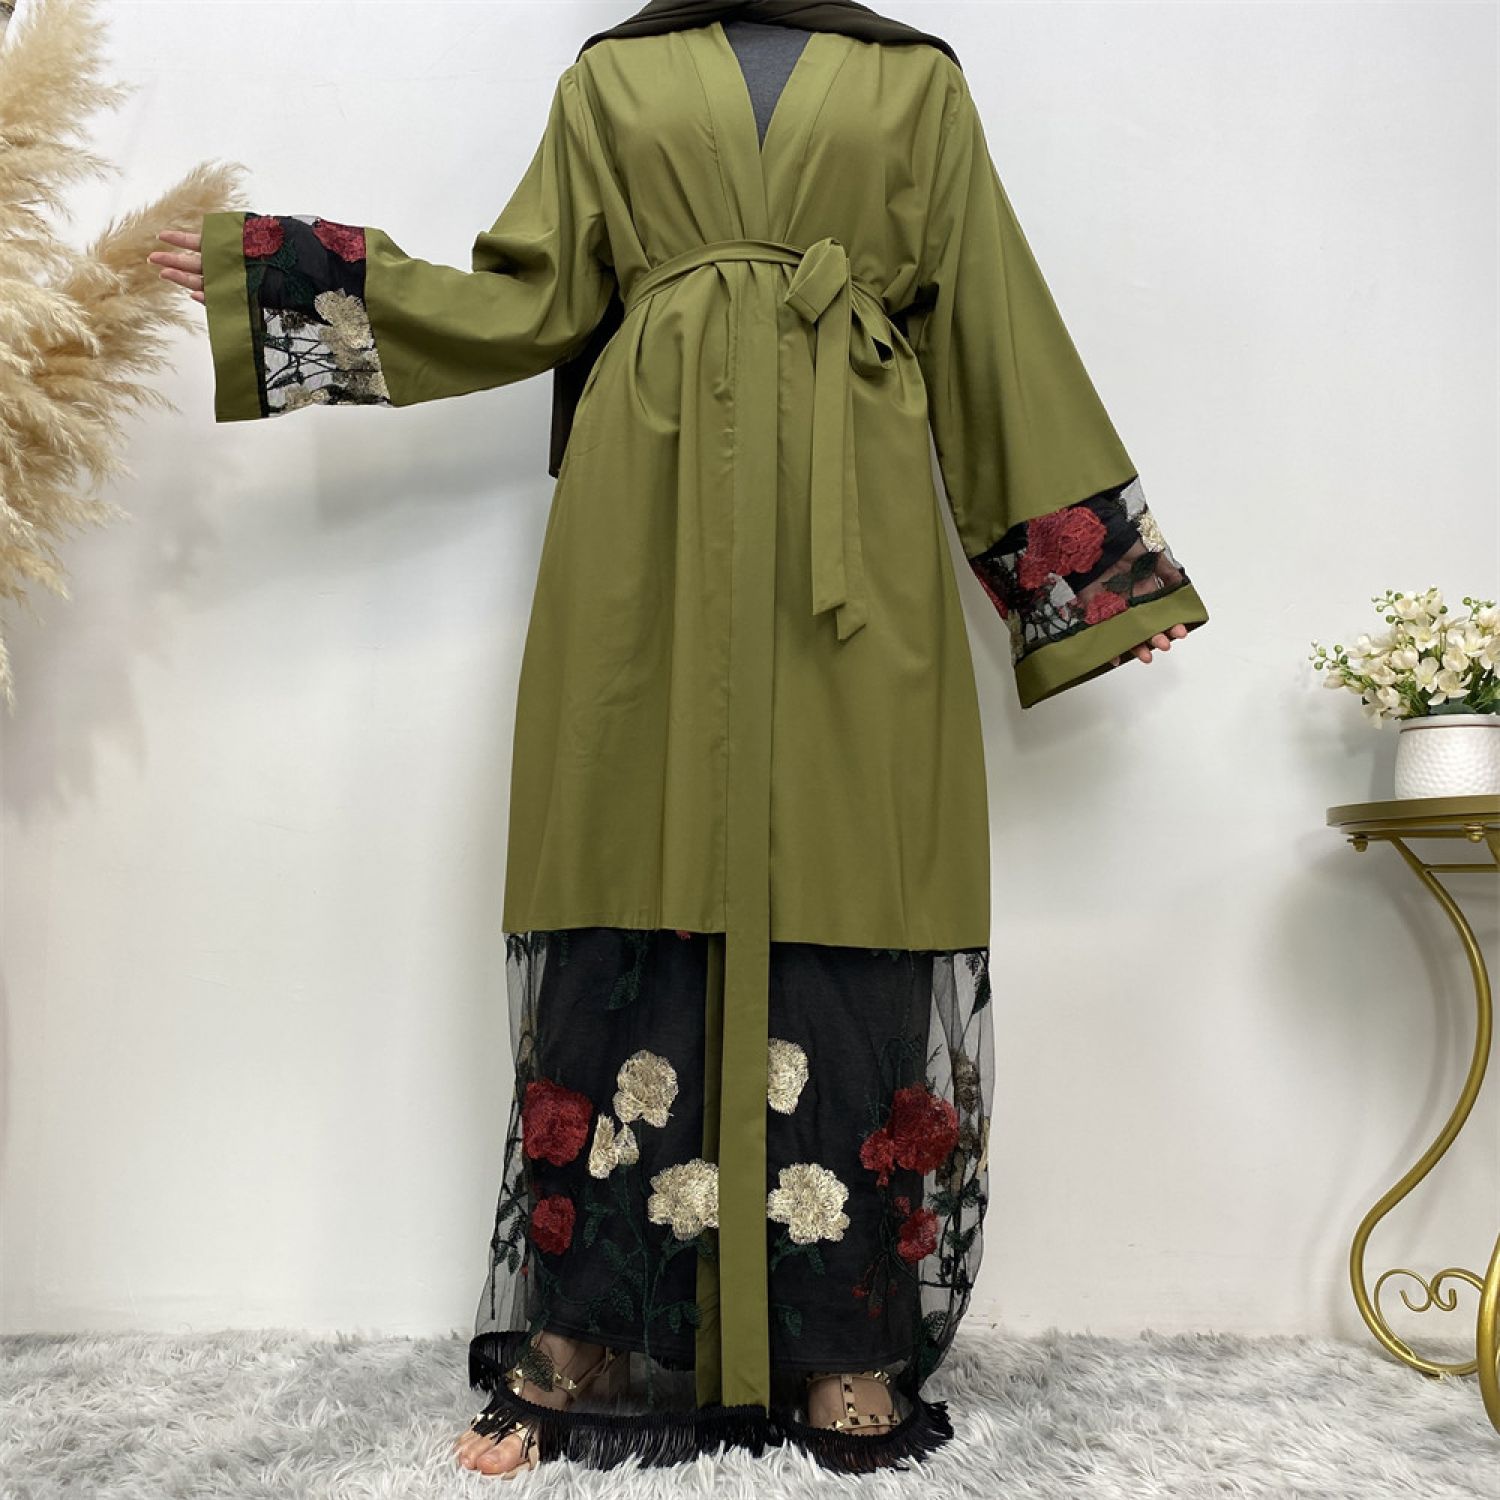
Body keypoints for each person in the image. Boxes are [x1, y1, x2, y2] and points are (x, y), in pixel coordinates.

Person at [150, 0, 1206, 1480]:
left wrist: (1086, 585)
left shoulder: (916, 83)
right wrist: (283, 278)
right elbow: (525, 298)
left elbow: (992, 326)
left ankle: (843, 1339)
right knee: (622, 862)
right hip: (642, 524)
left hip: (854, 537)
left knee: (859, 877)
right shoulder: (613, 75)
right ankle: (584, 1332)